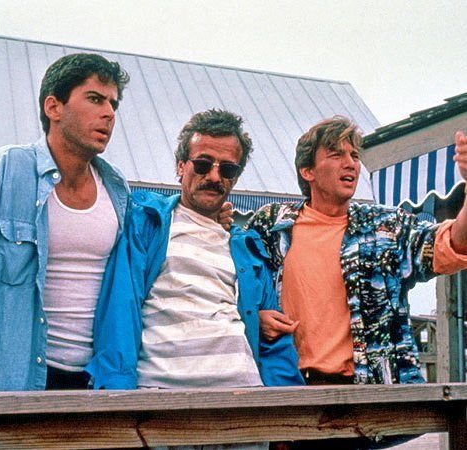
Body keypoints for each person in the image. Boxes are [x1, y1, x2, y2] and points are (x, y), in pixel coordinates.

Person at [246, 115, 467, 449]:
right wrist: (255, 317)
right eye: (336, 154)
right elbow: (235, 283)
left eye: (354, 155)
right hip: (287, 395)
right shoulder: (271, 226)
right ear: (307, 171)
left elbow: (452, 244)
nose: (350, 163)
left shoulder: (385, 228)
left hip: (363, 400)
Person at [0, 53, 131, 408]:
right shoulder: (9, 169)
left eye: (113, 103)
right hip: (15, 380)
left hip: (97, 384)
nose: (109, 113)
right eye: (95, 99)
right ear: (53, 107)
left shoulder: (117, 188)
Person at [85, 109, 304, 392]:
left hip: (245, 399)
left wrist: (286, 407)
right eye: (202, 164)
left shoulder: (247, 248)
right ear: (180, 167)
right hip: (162, 398)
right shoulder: (147, 223)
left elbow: (275, 340)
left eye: (227, 169)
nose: (214, 176)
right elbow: (120, 312)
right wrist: (117, 394)